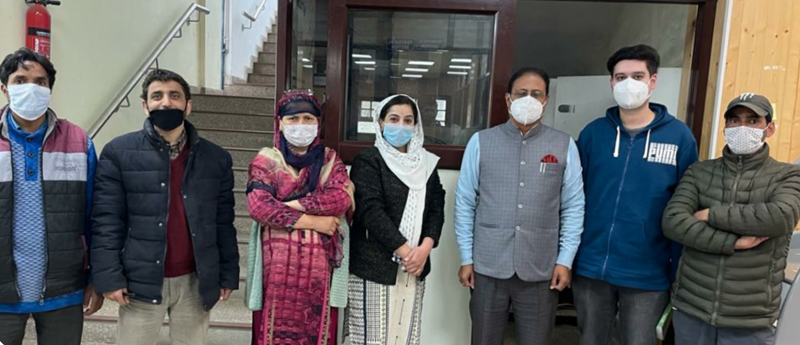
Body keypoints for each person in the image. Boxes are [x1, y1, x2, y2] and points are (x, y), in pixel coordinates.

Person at [91, 69, 239, 345]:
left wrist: (228, 273)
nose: (166, 103)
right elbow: (106, 220)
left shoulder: (216, 158)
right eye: (157, 96)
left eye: (175, 96)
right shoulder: (118, 153)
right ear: (145, 105)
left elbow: (223, 222)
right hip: (140, 281)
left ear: (188, 105)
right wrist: (109, 276)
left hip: (196, 281)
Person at [572, 44, 698, 345]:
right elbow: (573, 199)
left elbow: (688, 205)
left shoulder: (679, 138)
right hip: (591, 269)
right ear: (611, 83)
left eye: (637, 76)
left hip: (649, 273)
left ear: (652, 81)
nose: (629, 83)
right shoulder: (593, 134)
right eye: (620, 76)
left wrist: (677, 270)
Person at [454, 67, 585, 345]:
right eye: (521, 93)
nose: (529, 99)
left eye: (536, 94)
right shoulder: (481, 142)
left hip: (541, 268)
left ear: (546, 99)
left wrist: (565, 260)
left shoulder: (564, 145)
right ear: (508, 99)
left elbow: (573, 206)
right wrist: (467, 257)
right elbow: (465, 202)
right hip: (487, 266)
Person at [662, 92, 800, 345]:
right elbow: (674, 221)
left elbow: (780, 216)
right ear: (725, 126)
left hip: (749, 319)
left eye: (753, 120)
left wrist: (709, 214)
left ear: (769, 129)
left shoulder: (787, 175)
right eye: (734, 120)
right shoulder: (700, 171)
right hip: (693, 308)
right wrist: (733, 242)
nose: (742, 127)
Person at [0, 48, 101, 345]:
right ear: (4, 88)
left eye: (40, 82)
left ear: (50, 89)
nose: (31, 87)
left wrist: (97, 276)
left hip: (64, 290)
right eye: (21, 80)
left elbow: (96, 215)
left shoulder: (79, 141)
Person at [245, 90, 354, 345]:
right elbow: (259, 207)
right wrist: (315, 221)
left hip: (320, 272)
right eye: (293, 119)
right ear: (280, 123)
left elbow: (340, 199)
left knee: (317, 332)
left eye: (308, 118)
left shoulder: (330, 160)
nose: (301, 125)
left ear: (318, 123)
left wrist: (286, 205)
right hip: (276, 272)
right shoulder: (267, 160)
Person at [346, 94, 445, 345]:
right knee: (371, 339)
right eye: (393, 119)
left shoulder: (426, 163)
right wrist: (405, 251)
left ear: (416, 125)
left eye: (408, 120)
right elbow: (369, 210)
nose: (401, 126)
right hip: (374, 266)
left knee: (406, 337)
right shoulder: (369, 160)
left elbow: (436, 207)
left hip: (415, 266)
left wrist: (424, 248)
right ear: (380, 122)